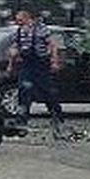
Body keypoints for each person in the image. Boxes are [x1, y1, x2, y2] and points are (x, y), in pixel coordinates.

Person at [7, 9, 65, 139]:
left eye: (20, 20)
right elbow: (14, 47)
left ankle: (57, 116)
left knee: (47, 91)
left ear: (28, 19)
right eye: (17, 21)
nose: (18, 23)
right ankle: (21, 121)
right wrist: (10, 64)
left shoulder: (41, 29)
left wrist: (54, 61)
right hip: (26, 64)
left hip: (40, 64)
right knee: (23, 91)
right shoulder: (19, 31)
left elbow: (53, 45)